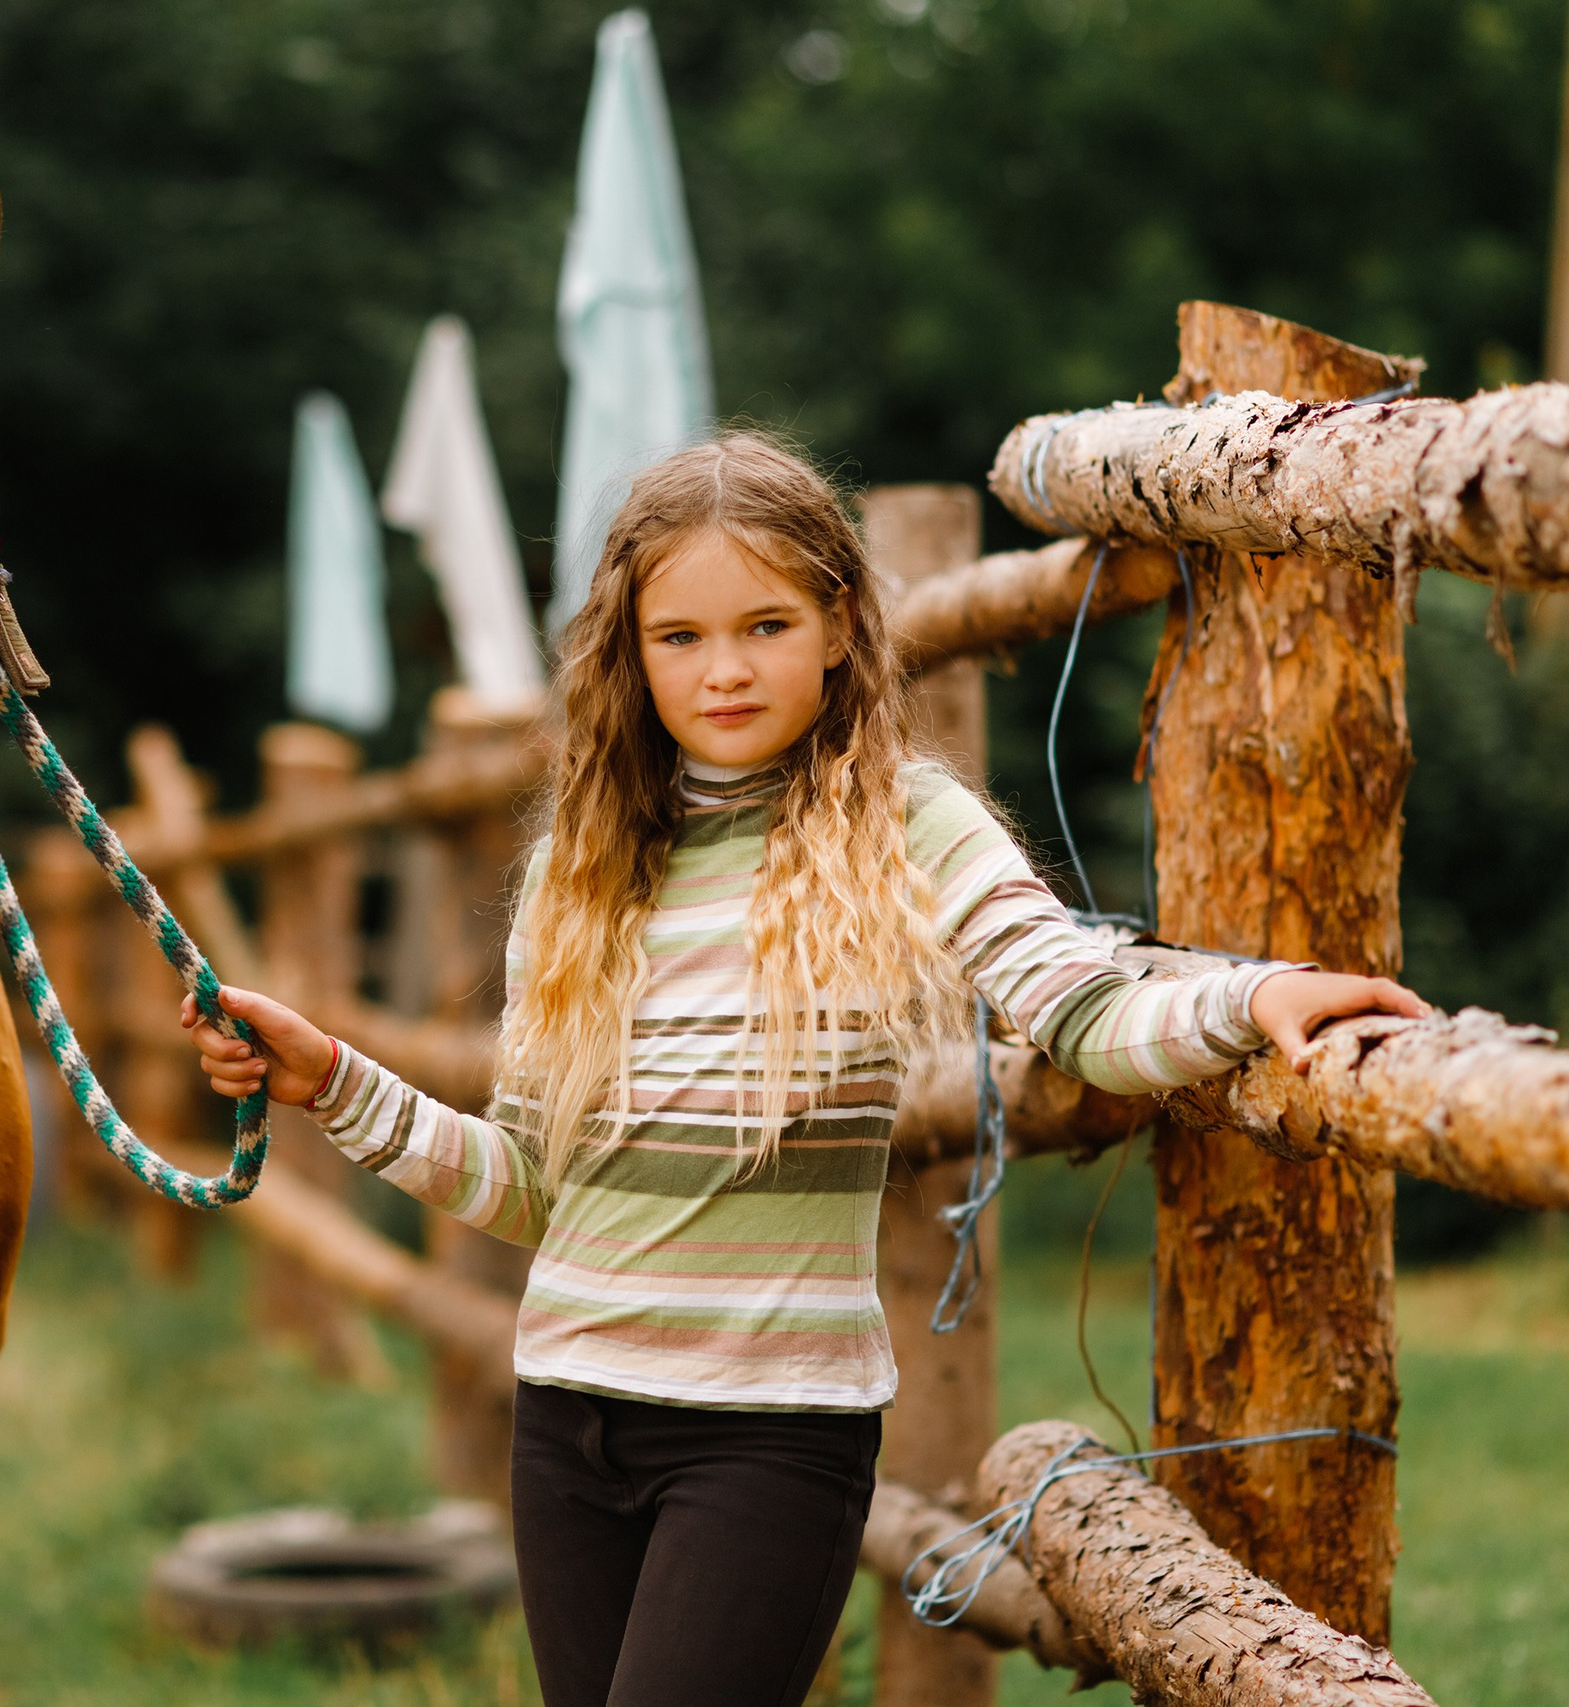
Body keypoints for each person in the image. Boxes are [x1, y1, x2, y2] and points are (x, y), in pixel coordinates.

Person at [182, 431, 1426, 1707]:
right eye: (681, 637)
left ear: (837, 623)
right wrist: (334, 1079)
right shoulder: (579, 866)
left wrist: (1255, 994)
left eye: (764, 625)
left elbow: (1079, 1006)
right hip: (562, 1416)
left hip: (766, 1438)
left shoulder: (908, 825)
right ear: (631, 649)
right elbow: (532, 1190)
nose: (724, 670)